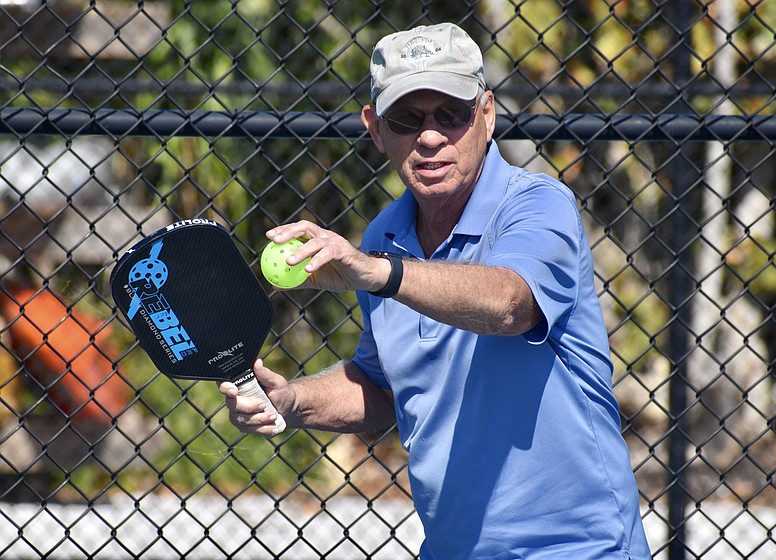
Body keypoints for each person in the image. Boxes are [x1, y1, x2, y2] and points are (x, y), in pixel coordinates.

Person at [219, 22, 651, 559]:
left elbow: (509, 304)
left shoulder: (539, 205)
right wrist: (292, 401)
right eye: (407, 118)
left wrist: (379, 272)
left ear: (487, 115)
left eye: (451, 113)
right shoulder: (385, 236)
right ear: (375, 129)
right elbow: (381, 388)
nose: (430, 136)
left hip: (578, 548)